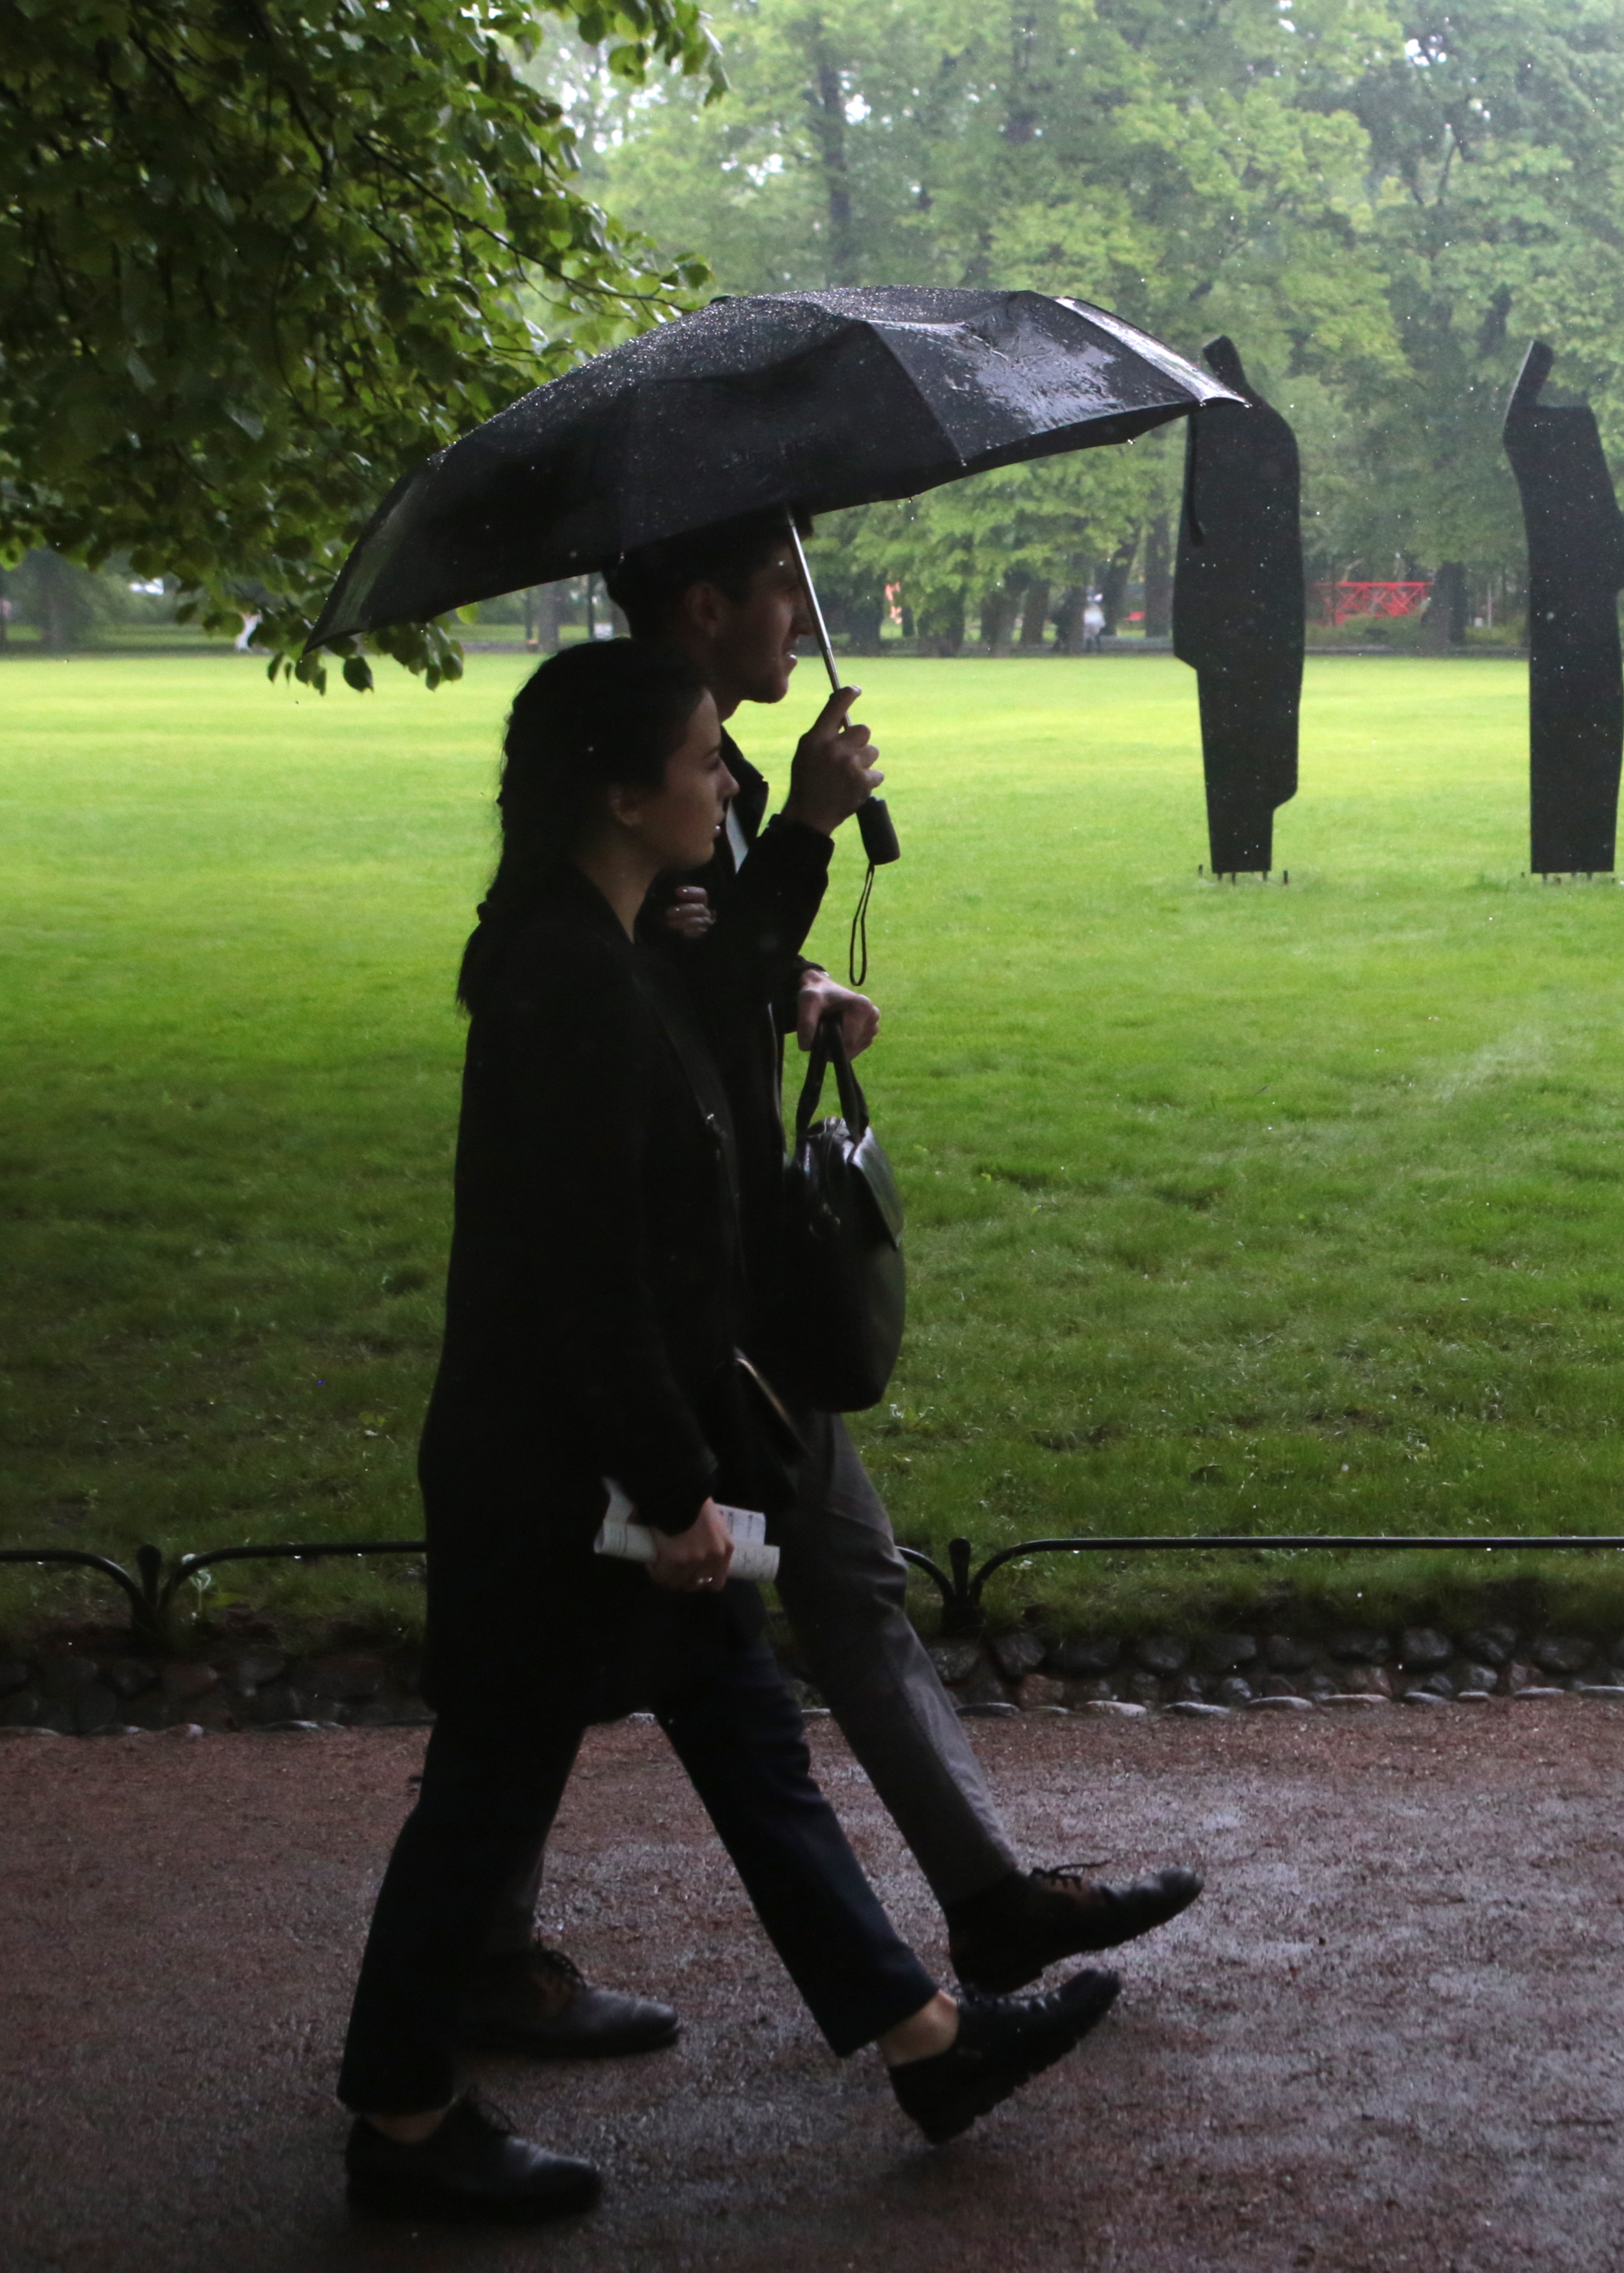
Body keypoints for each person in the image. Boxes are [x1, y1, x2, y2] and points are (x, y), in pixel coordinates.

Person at [341, 642, 1116, 2224]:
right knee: (490, 1788)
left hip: (594, 1464)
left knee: (746, 1739)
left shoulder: (611, 944)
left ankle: (927, 2036)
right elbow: (583, 1275)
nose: (725, 786)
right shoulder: (568, 977)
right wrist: (676, 1485)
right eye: (703, 764)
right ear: (622, 796)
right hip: (558, 1484)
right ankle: (405, 2124)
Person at [451, 515, 1197, 2064]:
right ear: (707, 604)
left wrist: (791, 980)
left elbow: (707, 982)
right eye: (787, 589)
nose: (807, 617)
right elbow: (656, 1000)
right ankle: (462, 1993)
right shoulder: (658, 774)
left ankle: (961, 1927)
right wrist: (802, 830)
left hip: (706, 1293)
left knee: (803, 1598)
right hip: (677, 1310)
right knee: (578, 1675)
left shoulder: (677, 769)